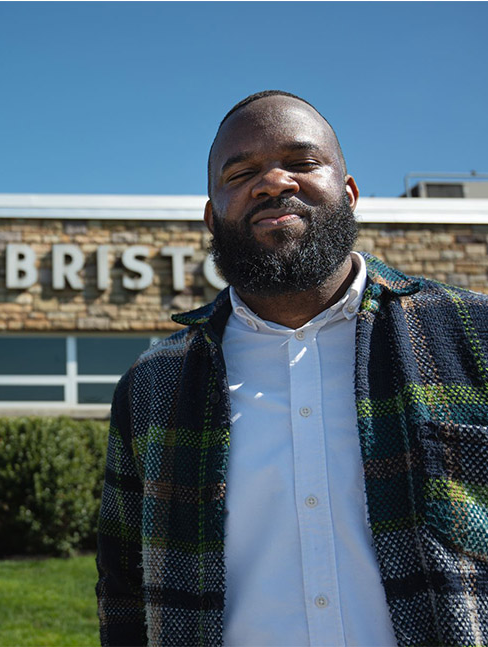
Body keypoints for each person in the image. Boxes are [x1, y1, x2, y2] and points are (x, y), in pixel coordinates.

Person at [96, 91, 488, 646]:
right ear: (212, 217)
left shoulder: (472, 336)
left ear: (349, 195)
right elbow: (123, 588)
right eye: (242, 172)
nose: (274, 182)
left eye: (303, 163)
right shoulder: (153, 385)